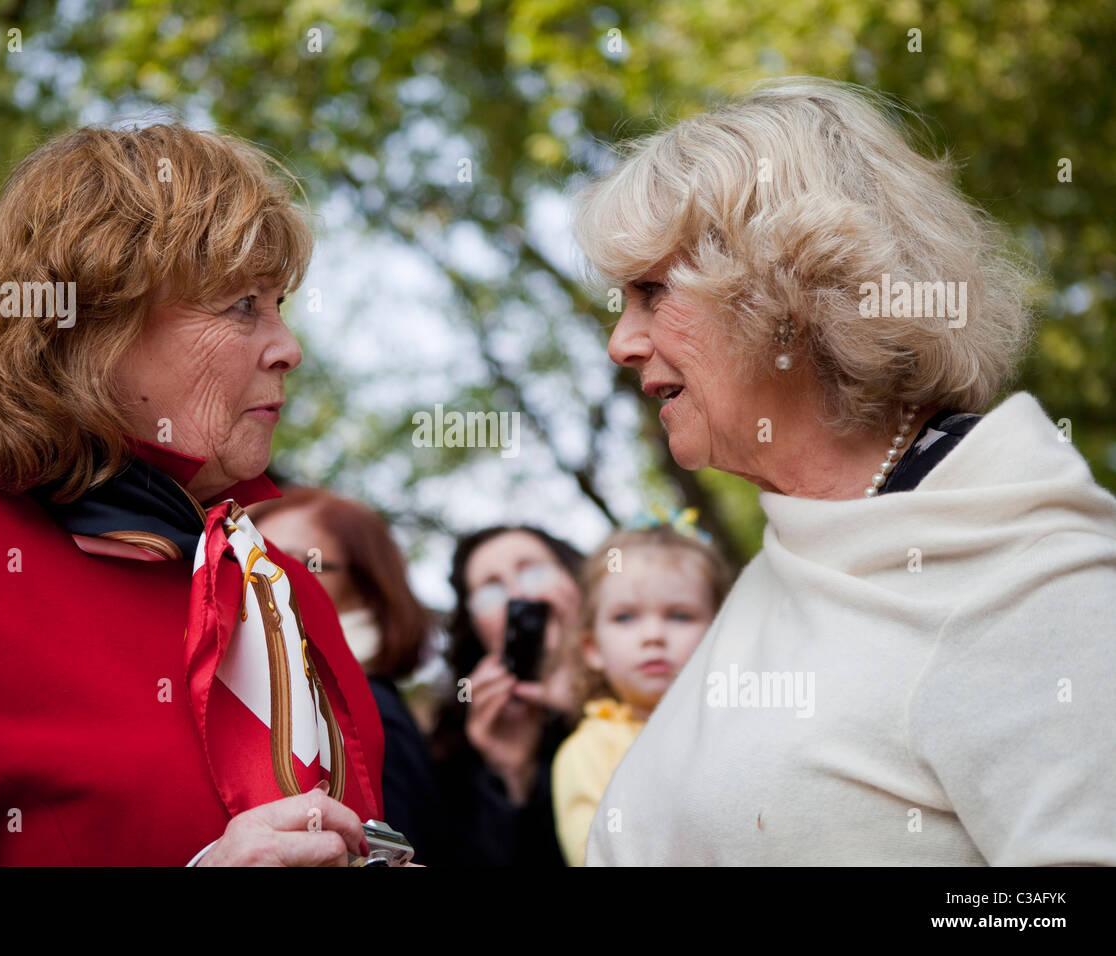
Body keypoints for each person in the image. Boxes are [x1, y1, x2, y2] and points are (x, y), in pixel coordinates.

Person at [571, 77, 1116, 865]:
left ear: (790, 291)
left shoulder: (1031, 574)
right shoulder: (799, 548)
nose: (621, 342)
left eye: (653, 291)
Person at [0, 125, 390, 866]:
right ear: (92, 327)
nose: (288, 347)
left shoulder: (288, 590)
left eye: (279, 303)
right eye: (242, 305)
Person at [248, 486, 446, 864]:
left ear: (367, 590)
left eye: (299, 562)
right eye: (254, 557)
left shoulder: (369, 711)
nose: (267, 576)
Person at [551, 523, 732, 866]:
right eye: (625, 617)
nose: (653, 635)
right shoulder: (588, 751)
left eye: (680, 615)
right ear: (592, 648)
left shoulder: (746, 725)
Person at [431, 525, 583, 866]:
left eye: (535, 573)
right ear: (475, 627)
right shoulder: (464, 743)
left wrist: (589, 704)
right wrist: (513, 778)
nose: (518, 595)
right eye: (490, 591)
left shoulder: (652, 665)